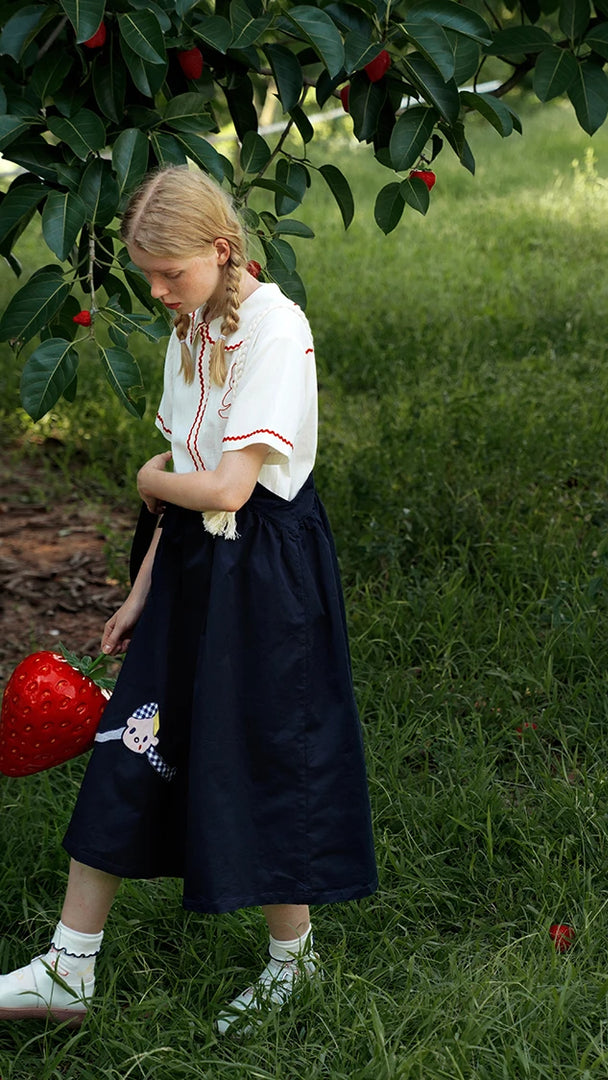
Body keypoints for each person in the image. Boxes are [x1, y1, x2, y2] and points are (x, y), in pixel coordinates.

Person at [0, 166, 377, 1033]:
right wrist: (142, 591)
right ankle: (69, 967)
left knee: (266, 752)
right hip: (188, 564)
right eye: (148, 277)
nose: (160, 292)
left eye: (172, 273)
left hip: (266, 575)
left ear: (220, 247)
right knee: (130, 738)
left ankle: (295, 965)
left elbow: (227, 489)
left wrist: (144, 480)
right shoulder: (190, 329)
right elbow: (183, 479)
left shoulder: (277, 329)